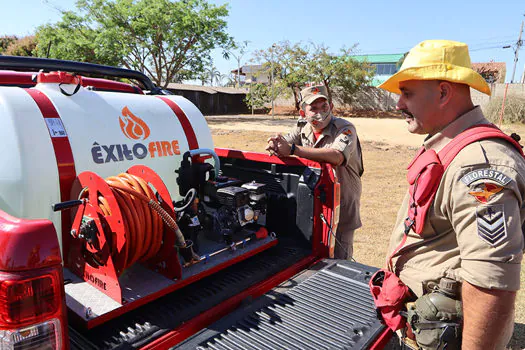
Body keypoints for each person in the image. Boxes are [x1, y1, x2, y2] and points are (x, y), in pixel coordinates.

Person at [377, 40, 525, 349]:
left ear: (444, 93)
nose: (398, 105)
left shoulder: (478, 165)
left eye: (407, 94)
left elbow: (490, 286)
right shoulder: (453, 145)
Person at [265, 85, 364, 259]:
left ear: (331, 106)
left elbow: (337, 156)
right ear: (303, 113)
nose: (320, 112)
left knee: (339, 261)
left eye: (324, 106)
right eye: (313, 108)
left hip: (341, 206)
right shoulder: (303, 127)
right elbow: (286, 143)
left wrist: (294, 150)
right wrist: (276, 144)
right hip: (313, 204)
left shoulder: (345, 128)